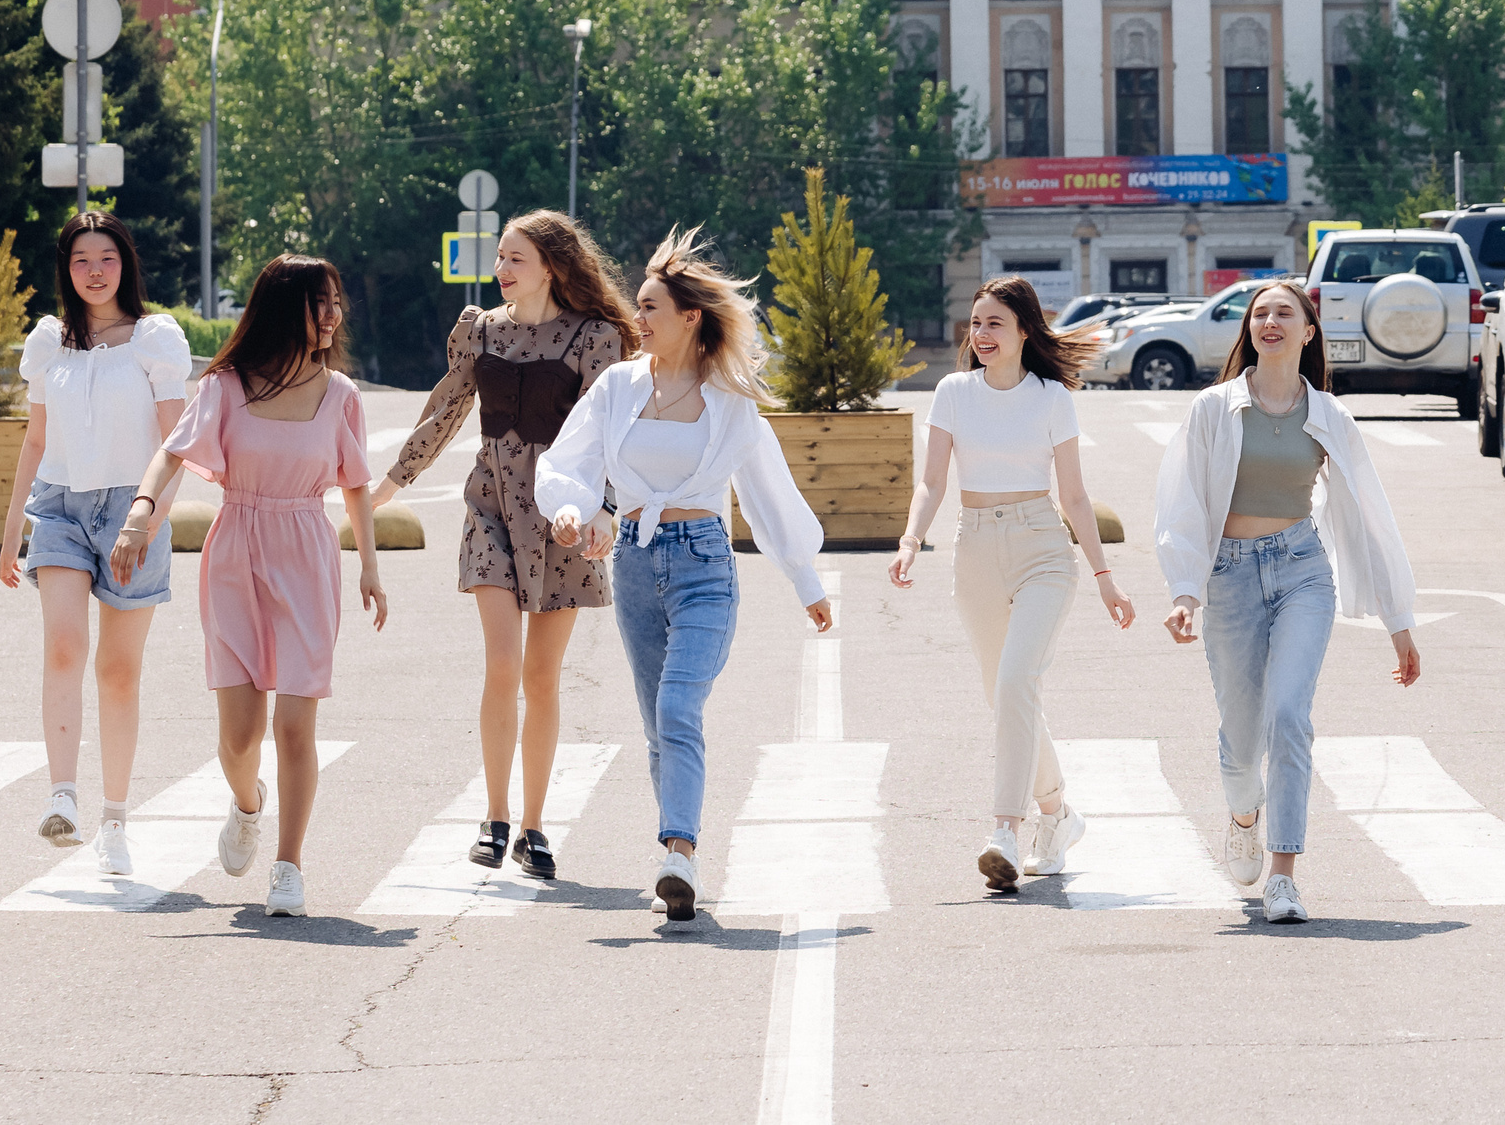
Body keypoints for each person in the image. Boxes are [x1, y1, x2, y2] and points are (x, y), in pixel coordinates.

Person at [539, 226, 833, 922]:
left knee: (677, 707)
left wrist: (806, 580)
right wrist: (573, 509)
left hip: (704, 565)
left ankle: (679, 850)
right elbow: (565, 461)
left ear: (690, 316)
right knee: (657, 725)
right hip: (635, 564)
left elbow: (767, 492)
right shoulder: (617, 386)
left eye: (650, 308)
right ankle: (681, 855)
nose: (637, 319)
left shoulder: (729, 400)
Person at [112, 255, 384, 918]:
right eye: (320, 302)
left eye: (336, 302)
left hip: (307, 552)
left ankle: (289, 866)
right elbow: (172, 452)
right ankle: (247, 802)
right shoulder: (226, 386)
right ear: (284, 308)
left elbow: (354, 483)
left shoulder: (341, 395)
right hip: (236, 549)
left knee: (293, 725)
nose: (332, 315)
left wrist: (370, 566)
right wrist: (140, 516)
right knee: (239, 736)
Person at [374, 212, 635, 880]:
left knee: (541, 677)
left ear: (551, 266)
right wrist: (386, 487)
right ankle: (493, 817)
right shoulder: (481, 329)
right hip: (490, 510)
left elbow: (612, 436)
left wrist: (604, 509)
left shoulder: (595, 337)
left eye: (515, 258)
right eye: (499, 258)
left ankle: (533, 826)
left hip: (562, 518)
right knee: (502, 665)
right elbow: (445, 410)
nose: (501, 270)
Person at [1154, 279, 1421, 926]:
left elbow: (1372, 516)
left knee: (1289, 716)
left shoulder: (1328, 415)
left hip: (1302, 570)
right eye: (1260, 313)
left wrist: (1399, 621)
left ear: (1308, 331)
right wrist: (1185, 590)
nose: (1270, 321)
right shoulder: (1215, 408)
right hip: (1229, 576)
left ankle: (1282, 875)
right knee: (1241, 738)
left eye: (1284, 312)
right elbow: (1182, 501)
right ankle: (1243, 815)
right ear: (1249, 330)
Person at [888, 277, 1135, 892]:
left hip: (1042, 549)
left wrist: (1105, 577)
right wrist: (911, 539)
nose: (981, 334)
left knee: (1016, 681)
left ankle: (1005, 829)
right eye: (976, 323)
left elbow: (1074, 495)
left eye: (995, 322)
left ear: (1025, 330)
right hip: (974, 550)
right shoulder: (953, 392)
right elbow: (932, 482)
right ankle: (1059, 814)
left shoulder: (1051, 397)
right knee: (1006, 695)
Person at [0, 214, 192, 875]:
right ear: (66, 269)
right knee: (63, 645)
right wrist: (12, 528)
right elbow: (35, 439)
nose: (94, 271)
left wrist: (148, 519)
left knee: (117, 670)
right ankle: (63, 796)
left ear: (125, 263)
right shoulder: (48, 343)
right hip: (59, 508)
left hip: (133, 509)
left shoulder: (153, 339)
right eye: (80, 259)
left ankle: (114, 820)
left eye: (106, 257)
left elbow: (174, 445)